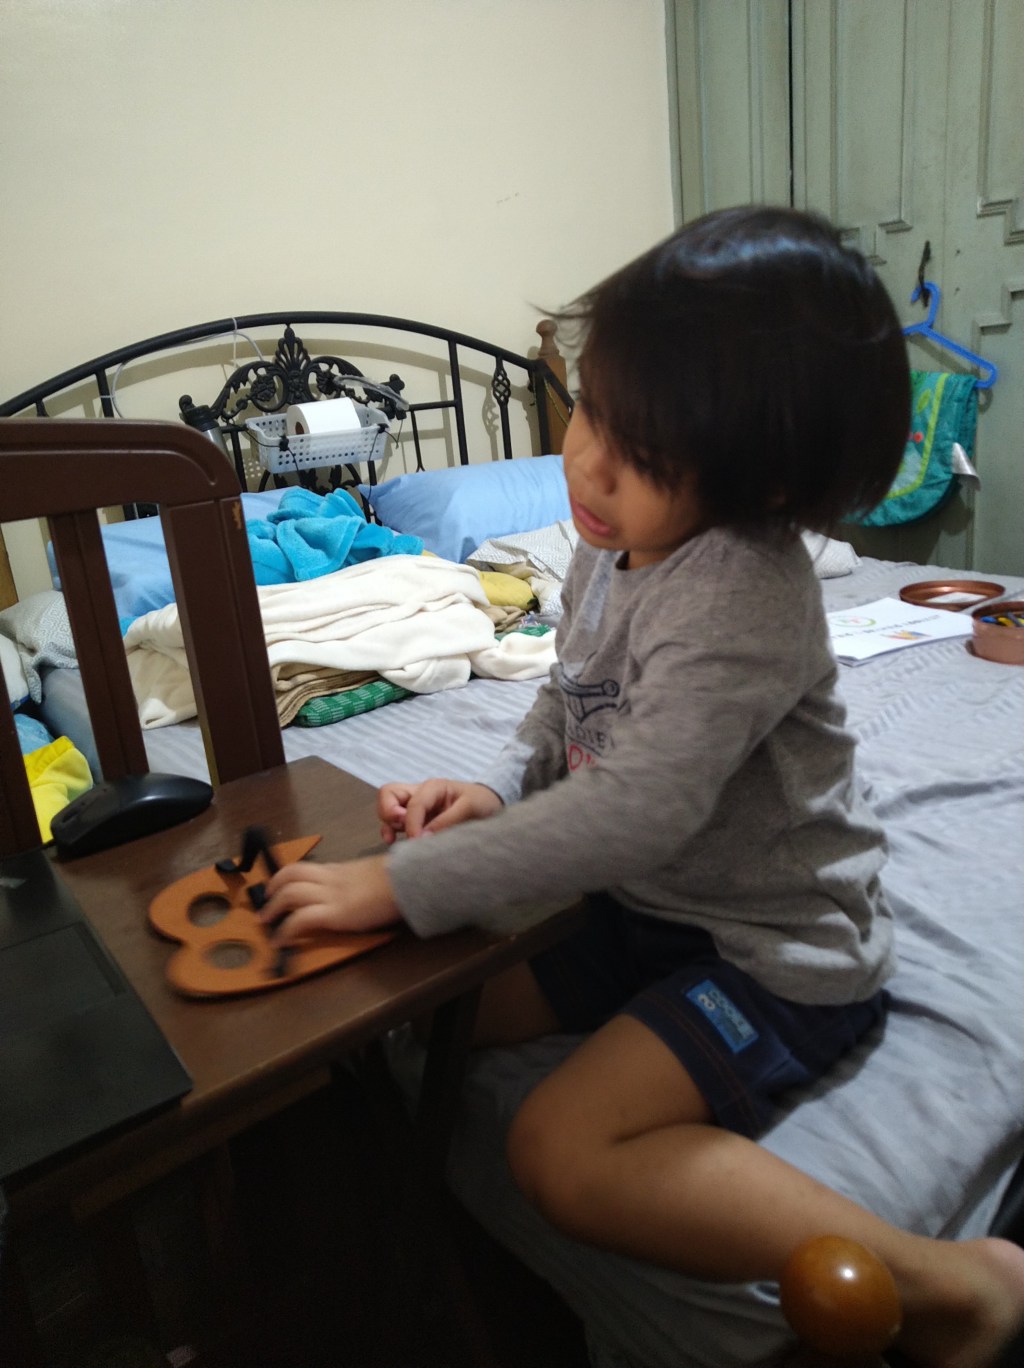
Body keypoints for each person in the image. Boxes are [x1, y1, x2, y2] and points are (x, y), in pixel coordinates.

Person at [262, 206, 1024, 1366]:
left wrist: (399, 883)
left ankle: (961, 1285)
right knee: (418, 1011)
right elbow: (567, 695)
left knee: (559, 1150)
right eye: (592, 410)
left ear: (764, 486)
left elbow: (636, 807)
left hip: (772, 951)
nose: (589, 463)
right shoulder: (608, 540)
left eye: (648, 452)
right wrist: (498, 793)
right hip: (638, 913)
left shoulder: (740, 589)